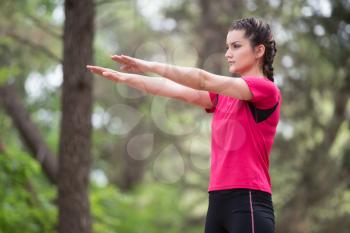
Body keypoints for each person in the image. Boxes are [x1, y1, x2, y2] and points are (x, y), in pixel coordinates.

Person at [87, 17, 280, 233]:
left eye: (236, 46)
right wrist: (125, 78)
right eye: (227, 47)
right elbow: (172, 89)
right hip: (217, 202)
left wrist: (148, 64)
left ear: (259, 50)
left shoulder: (266, 90)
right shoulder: (223, 97)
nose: (228, 53)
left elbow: (202, 79)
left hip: (248, 201)